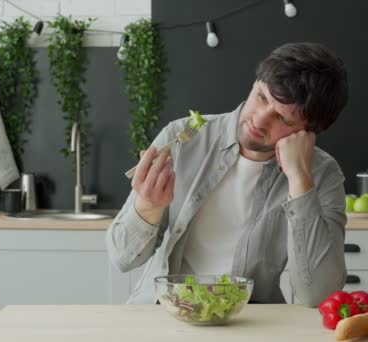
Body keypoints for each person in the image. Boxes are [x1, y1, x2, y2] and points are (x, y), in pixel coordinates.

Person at [106, 42, 349, 307]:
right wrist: (148, 206)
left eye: (283, 119)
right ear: (255, 82)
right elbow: (122, 258)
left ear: (309, 131)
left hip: (251, 322)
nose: (259, 120)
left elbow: (319, 296)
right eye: (262, 97)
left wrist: (300, 178)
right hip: (162, 313)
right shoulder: (183, 137)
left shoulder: (322, 173)